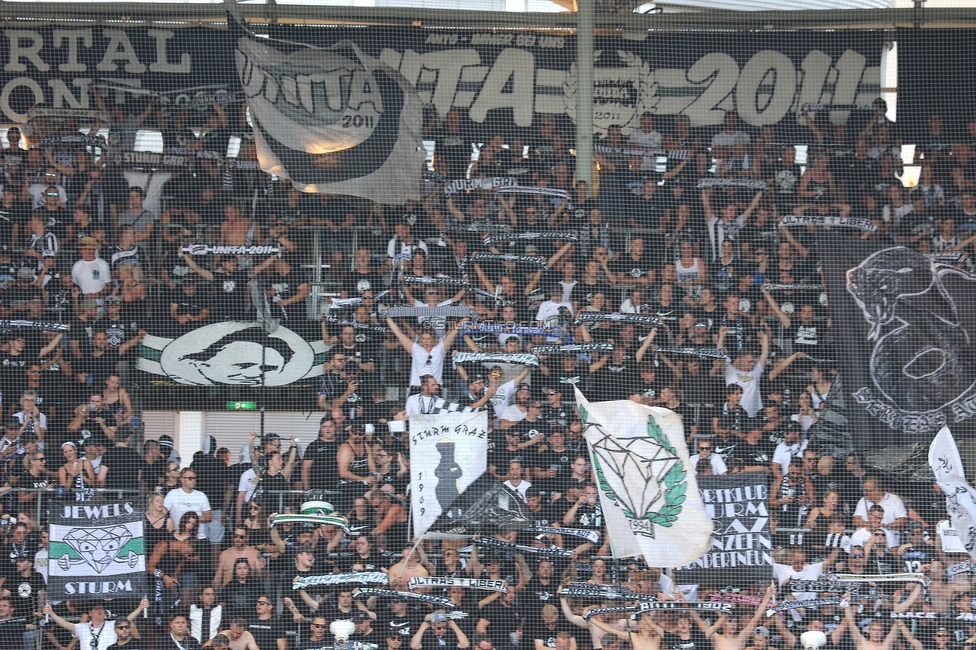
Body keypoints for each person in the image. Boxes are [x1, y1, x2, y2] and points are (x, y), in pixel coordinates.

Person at [44, 598, 149, 650]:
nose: (99, 610)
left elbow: (128, 619)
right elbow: (65, 624)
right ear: (90, 613)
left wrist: (140, 607)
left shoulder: (112, 625)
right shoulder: (82, 627)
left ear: (104, 613)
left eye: (101, 609)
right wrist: (51, 613)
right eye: (96, 608)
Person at [164, 467, 214, 538]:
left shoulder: (201, 495)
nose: (193, 480)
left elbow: (209, 516)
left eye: (194, 478)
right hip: (178, 536)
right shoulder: (173, 494)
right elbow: (163, 511)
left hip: (199, 537)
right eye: (190, 478)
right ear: (182, 480)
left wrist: (193, 518)